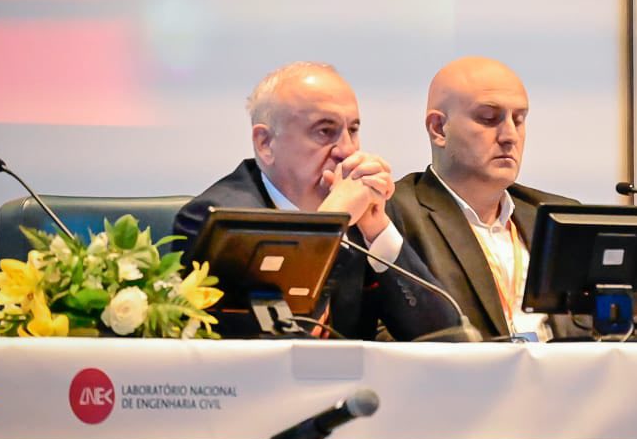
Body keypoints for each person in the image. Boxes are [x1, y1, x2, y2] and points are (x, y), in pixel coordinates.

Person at [173, 62, 458, 341]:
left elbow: (448, 341)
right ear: (265, 143)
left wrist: (378, 230)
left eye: (353, 130)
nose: (347, 150)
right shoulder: (218, 221)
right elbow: (272, 348)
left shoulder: (362, 214)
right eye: (325, 131)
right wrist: (329, 225)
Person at [387, 56, 583, 341]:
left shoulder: (562, 218)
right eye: (489, 119)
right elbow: (379, 336)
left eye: (519, 120)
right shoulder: (394, 214)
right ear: (439, 128)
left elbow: (625, 335)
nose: (510, 136)